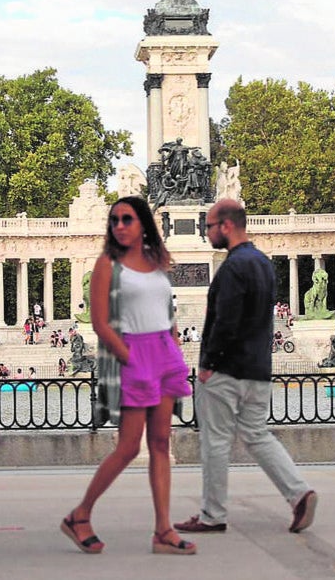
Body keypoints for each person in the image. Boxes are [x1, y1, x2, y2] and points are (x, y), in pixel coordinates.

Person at [62, 196, 195, 556]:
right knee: (128, 446)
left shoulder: (157, 261)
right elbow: (100, 323)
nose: (119, 225)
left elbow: (167, 311)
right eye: (115, 220)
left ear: (143, 224)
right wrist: (128, 357)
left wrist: (174, 345)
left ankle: (163, 529)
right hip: (134, 352)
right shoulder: (108, 264)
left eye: (127, 219)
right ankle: (80, 514)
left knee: (161, 444)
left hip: (164, 353)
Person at [175, 199, 317, 536]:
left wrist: (208, 363)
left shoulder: (232, 268)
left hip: (226, 371)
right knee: (257, 435)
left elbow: (225, 321)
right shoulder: (264, 264)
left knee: (215, 441)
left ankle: (212, 514)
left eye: (208, 226)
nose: (205, 233)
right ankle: (299, 493)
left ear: (225, 226)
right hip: (258, 368)